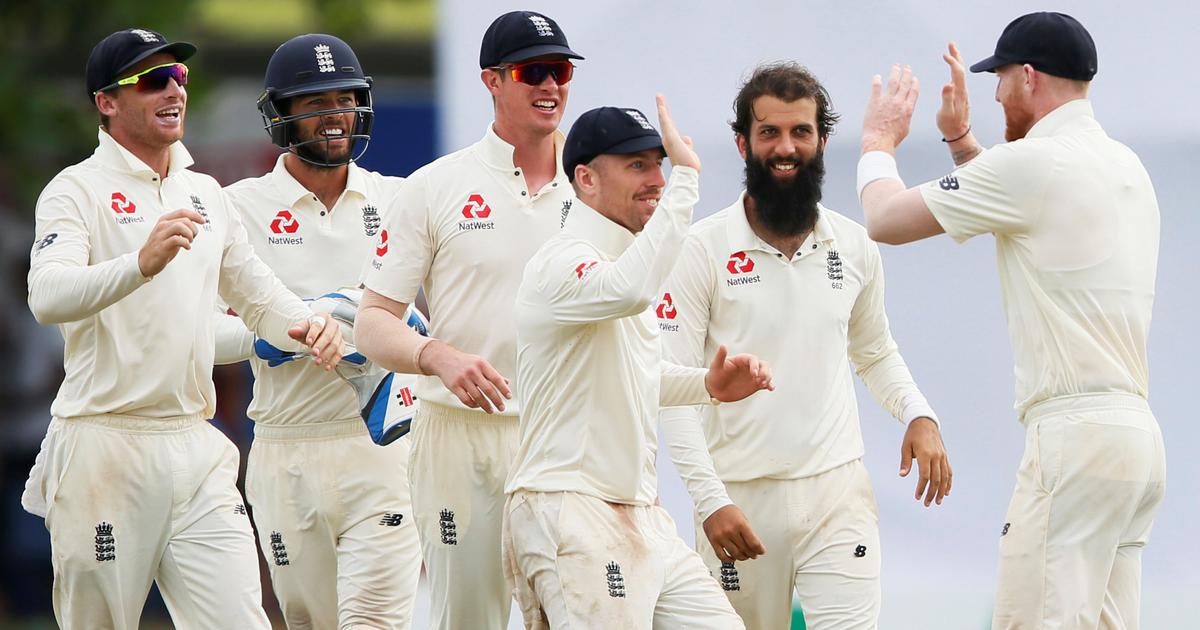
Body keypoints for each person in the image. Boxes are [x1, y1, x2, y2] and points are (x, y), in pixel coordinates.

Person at [22, 28, 343, 629]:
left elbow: (257, 295)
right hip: (105, 444)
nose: (173, 91)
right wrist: (139, 264)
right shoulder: (75, 190)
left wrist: (310, 325)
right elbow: (48, 295)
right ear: (106, 102)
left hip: (196, 445)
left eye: (178, 77)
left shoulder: (205, 194)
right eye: (152, 80)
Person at [858, 12, 1165, 630]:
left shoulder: (1033, 165)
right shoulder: (1126, 165)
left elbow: (885, 220)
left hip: (1073, 441)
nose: (996, 94)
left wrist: (877, 143)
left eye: (999, 78)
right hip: (1135, 444)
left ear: (1028, 77)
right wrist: (961, 141)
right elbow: (1017, 199)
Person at [658, 62, 950, 630]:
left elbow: (874, 351)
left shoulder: (854, 245)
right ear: (743, 143)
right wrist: (711, 501)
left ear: (822, 141)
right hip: (738, 498)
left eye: (801, 132)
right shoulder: (700, 249)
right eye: (769, 132)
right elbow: (674, 390)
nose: (786, 148)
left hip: (836, 494)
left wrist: (919, 414)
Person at [505, 97, 772, 630]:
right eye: (637, 165)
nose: (656, 180)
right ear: (586, 179)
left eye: (660, 164)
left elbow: (638, 376)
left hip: (641, 514)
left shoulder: (623, 268)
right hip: (572, 508)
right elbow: (630, 290)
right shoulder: (563, 261)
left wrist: (708, 384)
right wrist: (688, 181)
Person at [354, 10, 582, 628]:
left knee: (577, 616)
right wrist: (436, 355)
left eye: (560, 71)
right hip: (460, 439)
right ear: (492, 80)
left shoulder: (594, 182)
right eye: (532, 71)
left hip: (566, 436)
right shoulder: (435, 187)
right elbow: (372, 323)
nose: (550, 85)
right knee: (470, 620)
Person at [214, 34, 419, 629]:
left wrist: (352, 317)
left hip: (380, 444)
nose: (336, 114)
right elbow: (195, 334)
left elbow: (431, 316)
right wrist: (276, 332)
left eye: (346, 99)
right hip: (286, 447)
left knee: (375, 621)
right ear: (280, 113)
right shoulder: (234, 209)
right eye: (315, 102)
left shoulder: (399, 200)